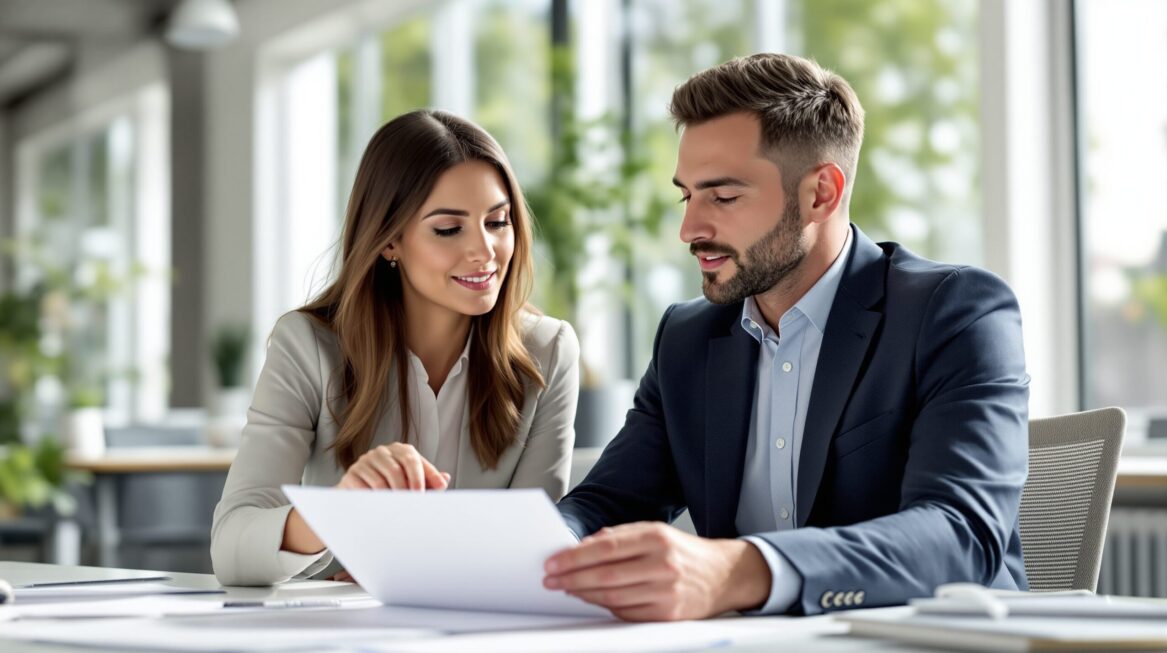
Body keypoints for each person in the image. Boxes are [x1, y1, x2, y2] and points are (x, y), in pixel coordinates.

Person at [544, 53, 1029, 621]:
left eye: (722, 197)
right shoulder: (687, 338)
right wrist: (532, 548)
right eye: (687, 195)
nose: (690, 229)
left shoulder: (954, 313)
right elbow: (607, 503)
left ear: (820, 193)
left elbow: (959, 535)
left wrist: (741, 569)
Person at [212, 110, 580, 586]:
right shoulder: (307, 346)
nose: (485, 250)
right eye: (449, 229)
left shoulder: (548, 352)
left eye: (498, 221)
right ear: (389, 241)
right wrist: (338, 513)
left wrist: (405, 566)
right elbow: (231, 549)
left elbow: (534, 548)